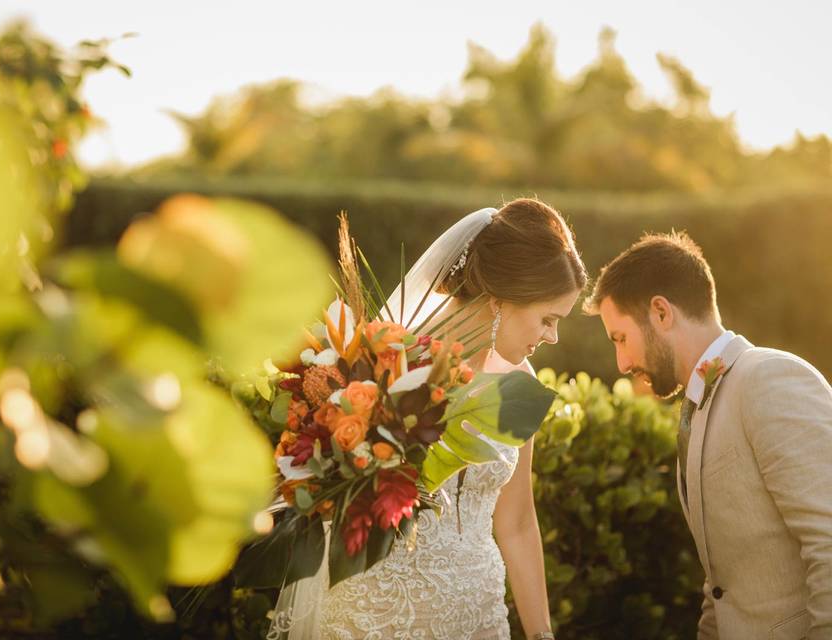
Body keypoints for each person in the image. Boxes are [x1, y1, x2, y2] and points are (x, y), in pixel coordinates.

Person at [270, 198, 587, 640]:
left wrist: (541, 632)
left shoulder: (521, 384)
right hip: (378, 609)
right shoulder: (389, 359)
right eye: (547, 320)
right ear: (503, 300)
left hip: (477, 610)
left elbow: (515, 521)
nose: (551, 336)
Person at [585, 231, 832, 639]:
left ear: (661, 312)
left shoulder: (770, 378)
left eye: (621, 338)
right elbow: (721, 583)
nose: (622, 362)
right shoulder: (694, 411)